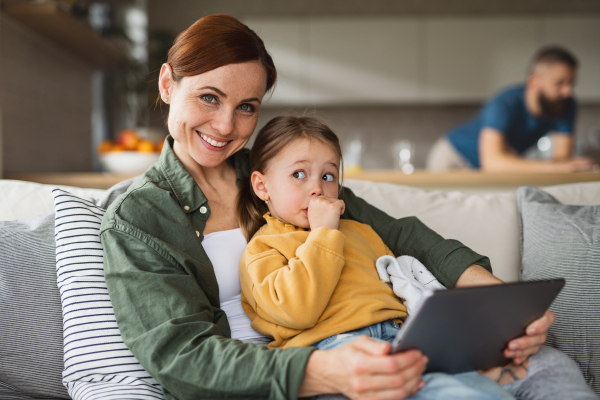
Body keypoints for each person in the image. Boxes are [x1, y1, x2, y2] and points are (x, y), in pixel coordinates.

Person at [100, 14, 570, 400]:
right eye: (209, 97)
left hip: (370, 347)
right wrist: (325, 371)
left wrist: (502, 304)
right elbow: (181, 358)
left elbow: (404, 236)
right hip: (286, 374)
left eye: (247, 106)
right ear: (167, 84)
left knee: (546, 364)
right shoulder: (139, 217)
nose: (226, 125)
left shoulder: (280, 171)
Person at [237, 115, 522, 399]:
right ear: (262, 186)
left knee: (484, 391)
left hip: (400, 340)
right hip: (331, 353)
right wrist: (323, 233)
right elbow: (297, 309)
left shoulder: (361, 231)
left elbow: (401, 285)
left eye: (328, 176)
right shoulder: (262, 249)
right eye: (299, 174)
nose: (317, 188)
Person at [427, 46, 597, 172]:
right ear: (534, 81)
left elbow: (562, 161)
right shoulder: (506, 102)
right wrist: (554, 167)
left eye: (571, 84)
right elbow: (492, 162)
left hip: (491, 167)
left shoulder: (565, 104)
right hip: (453, 157)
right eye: (559, 83)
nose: (568, 91)